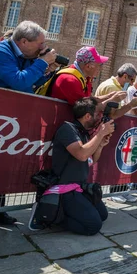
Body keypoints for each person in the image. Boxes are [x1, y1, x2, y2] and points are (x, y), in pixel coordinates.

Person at [39, 97, 114, 235]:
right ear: (87, 116)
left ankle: (65, 213)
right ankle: (53, 216)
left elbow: (92, 159)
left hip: (79, 187)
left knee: (103, 215)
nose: (100, 117)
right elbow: (81, 155)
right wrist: (100, 133)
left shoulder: (83, 132)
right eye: (98, 114)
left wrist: (100, 145)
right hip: (64, 189)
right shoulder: (68, 129)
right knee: (93, 226)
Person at [0, 20, 57, 92]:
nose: (43, 48)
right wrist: (43, 62)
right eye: (41, 43)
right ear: (24, 42)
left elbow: (33, 81)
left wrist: (46, 70)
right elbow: (19, 83)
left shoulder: (27, 54)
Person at [50, 46, 126, 107]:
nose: (101, 68)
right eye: (99, 65)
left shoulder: (84, 77)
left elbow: (88, 100)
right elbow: (87, 111)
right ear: (88, 66)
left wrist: (109, 96)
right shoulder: (70, 80)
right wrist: (112, 100)